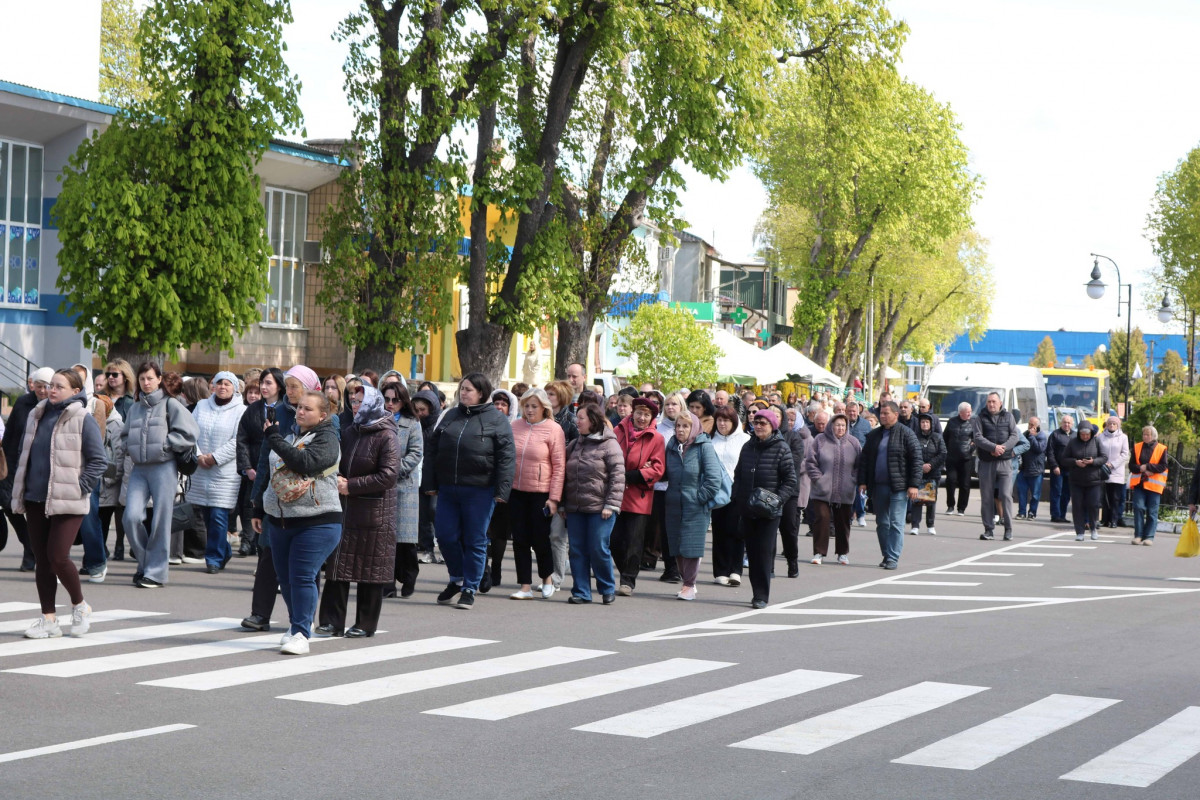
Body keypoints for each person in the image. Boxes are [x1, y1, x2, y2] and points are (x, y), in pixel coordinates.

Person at [10, 369, 107, 638]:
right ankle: (49, 619)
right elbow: (23, 453)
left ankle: (80, 606)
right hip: (34, 497)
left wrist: (79, 487)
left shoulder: (82, 418)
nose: (51, 390)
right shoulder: (37, 414)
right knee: (42, 560)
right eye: (50, 385)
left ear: (75, 391)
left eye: (58, 386)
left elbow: (99, 461)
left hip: (68, 499)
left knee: (57, 556)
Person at [257, 390, 343, 654]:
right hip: (281, 520)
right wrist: (257, 507)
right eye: (300, 407)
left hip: (317, 520)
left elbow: (305, 463)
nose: (300, 412)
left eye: (308, 409)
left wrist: (273, 438)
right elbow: (270, 472)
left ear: (323, 415)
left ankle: (302, 634)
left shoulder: (328, 438)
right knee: (286, 579)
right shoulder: (292, 436)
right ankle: (297, 624)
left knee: (302, 575)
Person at [427, 373, 516, 610]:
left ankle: (470, 587)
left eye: (468, 389)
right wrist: (430, 483)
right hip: (448, 487)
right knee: (445, 536)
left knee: (475, 539)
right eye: (462, 388)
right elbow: (432, 450)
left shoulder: (496, 419)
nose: (463, 393)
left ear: (481, 393)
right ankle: (457, 579)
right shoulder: (450, 415)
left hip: (480, 489)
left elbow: (507, 457)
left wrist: (502, 490)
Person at [317, 385, 400, 638]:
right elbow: (335, 462)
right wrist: (335, 477)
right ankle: (331, 621)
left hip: (375, 512)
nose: (355, 406)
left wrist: (351, 486)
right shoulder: (350, 431)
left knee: (370, 569)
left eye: (361, 402)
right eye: (353, 401)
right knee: (338, 565)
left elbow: (389, 475)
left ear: (373, 404)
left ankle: (365, 623)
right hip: (345, 509)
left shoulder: (387, 435)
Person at [122, 361, 200, 588]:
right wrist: (129, 447)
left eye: (150, 378)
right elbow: (125, 435)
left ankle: (155, 573)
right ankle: (146, 564)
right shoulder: (135, 408)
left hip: (164, 467)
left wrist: (166, 445)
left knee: (160, 521)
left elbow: (190, 432)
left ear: (159, 379)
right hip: (139, 469)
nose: (146, 383)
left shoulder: (171, 403)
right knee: (131, 517)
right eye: (142, 379)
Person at [237, 367, 288, 632]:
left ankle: (302, 619)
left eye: (269, 383)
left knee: (299, 565)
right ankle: (259, 614)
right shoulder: (256, 411)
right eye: (262, 383)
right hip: (268, 490)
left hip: (298, 496)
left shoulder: (295, 414)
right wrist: (256, 502)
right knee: (266, 554)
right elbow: (246, 443)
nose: (264, 387)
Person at [732, 409, 797, 608]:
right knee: (752, 553)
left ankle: (761, 595)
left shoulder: (781, 448)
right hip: (748, 508)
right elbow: (738, 474)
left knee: (763, 552)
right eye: (756, 423)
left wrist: (776, 500)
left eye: (763, 423)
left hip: (769, 512)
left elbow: (790, 481)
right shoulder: (747, 446)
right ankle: (756, 592)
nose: (758, 426)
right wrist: (737, 497)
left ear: (772, 426)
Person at [562, 403, 625, 604]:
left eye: (581, 418)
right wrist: (562, 504)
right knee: (577, 550)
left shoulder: (609, 444)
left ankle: (607, 588)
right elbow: (564, 476)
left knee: (598, 548)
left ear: (593, 420)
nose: (577, 421)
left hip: (601, 509)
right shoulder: (575, 444)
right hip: (576, 508)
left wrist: (611, 504)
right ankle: (581, 592)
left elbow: (617, 477)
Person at [507, 388, 565, 600]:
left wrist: (554, 498)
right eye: (526, 406)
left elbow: (559, 466)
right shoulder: (515, 426)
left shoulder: (553, 429)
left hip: (541, 493)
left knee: (540, 539)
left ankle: (547, 579)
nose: (529, 410)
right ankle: (525, 586)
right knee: (520, 539)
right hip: (516, 491)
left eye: (534, 406)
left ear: (544, 408)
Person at [186, 371, 246, 574]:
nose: (222, 387)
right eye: (219, 383)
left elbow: (238, 440)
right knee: (206, 514)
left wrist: (215, 457)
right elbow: (190, 432)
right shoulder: (202, 406)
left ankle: (213, 558)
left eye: (227, 384)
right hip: (201, 467)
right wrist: (199, 455)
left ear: (234, 388)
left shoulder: (241, 410)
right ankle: (224, 550)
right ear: (213, 386)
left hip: (224, 471)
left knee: (219, 516)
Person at [663, 411, 721, 601]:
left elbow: (714, 479)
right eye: (678, 426)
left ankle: (689, 584)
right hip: (673, 504)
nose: (680, 429)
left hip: (695, 506)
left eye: (685, 426)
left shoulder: (704, 446)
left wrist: (699, 498)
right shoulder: (672, 445)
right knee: (677, 546)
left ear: (694, 428)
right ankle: (688, 582)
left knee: (691, 547)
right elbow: (665, 473)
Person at [612, 397, 666, 596]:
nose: (642, 418)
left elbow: (658, 468)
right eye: (639, 413)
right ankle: (625, 570)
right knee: (614, 540)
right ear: (632, 413)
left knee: (634, 541)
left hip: (639, 496)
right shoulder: (617, 431)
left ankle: (628, 580)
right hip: (616, 494)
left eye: (646, 415)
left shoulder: (656, 438)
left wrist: (636, 474)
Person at [857, 401, 921, 570]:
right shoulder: (874, 435)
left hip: (899, 487)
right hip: (879, 486)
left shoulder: (906, 434)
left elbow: (916, 460)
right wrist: (862, 482)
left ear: (896, 414)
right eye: (881, 413)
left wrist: (914, 485)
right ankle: (886, 554)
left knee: (896, 523)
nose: (883, 416)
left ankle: (893, 557)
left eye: (886, 413)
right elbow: (865, 461)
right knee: (882, 523)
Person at [1, 367, 52, 572]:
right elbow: (10, 433)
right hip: (16, 462)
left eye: (46, 386)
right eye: (38, 386)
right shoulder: (23, 402)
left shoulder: (55, 405)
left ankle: (33, 554)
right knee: (9, 505)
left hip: (41, 466)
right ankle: (29, 545)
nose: (42, 391)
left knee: (34, 511)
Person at [383, 381, 424, 598]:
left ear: (403, 401)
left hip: (403, 485)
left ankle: (409, 575)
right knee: (385, 539)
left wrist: (394, 469)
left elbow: (416, 453)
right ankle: (387, 584)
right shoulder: (378, 420)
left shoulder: (412, 423)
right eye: (386, 399)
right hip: (382, 486)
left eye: (395, 400)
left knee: (405, 540)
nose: (390, 404)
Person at [805, 412, 861, 565]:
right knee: (822, 519)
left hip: (845, 490)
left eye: (843, 425)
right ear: (831, 426)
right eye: (837, 425)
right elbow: (810, 462)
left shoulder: (854, 442)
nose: (840, 428)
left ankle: (842, 553)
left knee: (843, 522)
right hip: (821, 490)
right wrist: (818, 478)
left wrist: (853, 479)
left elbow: (859, 465)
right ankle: (819, 552)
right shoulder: (820, 440)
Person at [544, 380, 578, 588]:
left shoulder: (572, 422)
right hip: (540, 483)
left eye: (552, 394)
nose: (547, 398)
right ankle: (547, 575)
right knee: (543, 536)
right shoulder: (540, 419)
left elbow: (575, 458)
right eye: (546, 393)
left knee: (557, 535)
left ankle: (556, 578)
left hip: (563, 486)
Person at [710, 405, 749, 585]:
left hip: (737, 491)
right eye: (719, 420)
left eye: (726, 420)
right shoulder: (710, 440)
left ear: (734, 422)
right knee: (719, 531)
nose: (722, 424)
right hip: (717, 492)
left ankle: (735, 570)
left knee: (737, 532)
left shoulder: (745, 440)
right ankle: (720, 571)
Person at [972, 392, 1019, 541]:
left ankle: (1008, 529)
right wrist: (993, 447)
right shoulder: (980, 418)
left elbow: (1014, 436)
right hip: (986, 462)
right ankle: (988, 529)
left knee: (1005, 495)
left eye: (994, 401)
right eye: (989, 402)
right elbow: (977, 437)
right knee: (986, 496)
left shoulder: (1009, 417)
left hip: (1004, 462)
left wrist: (1002, 448)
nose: (991, 404)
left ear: (1000, 403)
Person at [1060, 422, 1106, 541]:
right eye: (1082, 434)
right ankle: (1079, 532)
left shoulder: (1096, 441)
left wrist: (1093, 461)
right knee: (1077, 506)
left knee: (1093, 505)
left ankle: (1093, 528)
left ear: (1091, 433)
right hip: (1076, 480)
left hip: (1094, 480)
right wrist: (1075, 462)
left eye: (1087, 434)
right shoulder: (1073, 442)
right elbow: (1064, 459)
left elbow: (1104, 457)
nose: (1085, 436)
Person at [413, 388, 443, 566]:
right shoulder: (414, 425)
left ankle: (444, 549)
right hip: (418, 476)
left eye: (423, 410)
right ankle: (428, 549)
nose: (420, 413)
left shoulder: (438, 426)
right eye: (416, 410)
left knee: (435, 511)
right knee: (423, 515)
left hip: (435, 476)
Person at [781, 409, 812, 577]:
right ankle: (769, 566)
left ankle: (792, 560)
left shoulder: (796, 438)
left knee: (789, 528)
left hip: (790, 488)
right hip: (769, 487)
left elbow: (796, 462)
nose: (790, 422)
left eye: (792, 420)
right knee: (768, 530)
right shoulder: (767, 437)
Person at [1128, 425, 1168, 546]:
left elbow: (1163, 466)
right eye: (1144, 434)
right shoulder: (1137, 447)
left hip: (1154, 486)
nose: (1145, 436)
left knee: (1152, 512)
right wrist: (1141, 468)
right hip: (1140, 484)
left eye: (1147, 435)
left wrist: (1148, 467)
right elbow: (1131, 465)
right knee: (1138, 508)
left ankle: (1149, 537)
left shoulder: (1161, 448)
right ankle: (1138, 536)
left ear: (1153, 436)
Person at [908, 412, 947, 536]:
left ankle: (930, 525)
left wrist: (930, 465)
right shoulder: (914, 436)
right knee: (916, 499)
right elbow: (911, 453)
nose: (924, 424)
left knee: (930, 500)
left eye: (927, 422)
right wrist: (921, 465)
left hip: (933, 473)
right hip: (918, 473)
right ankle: (915, 525)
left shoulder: (937, 437)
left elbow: (943, 453)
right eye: (922, 422)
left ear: (931, 424)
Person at [942, 402, 974, 517]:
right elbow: (944, 438)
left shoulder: (973, 423)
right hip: (952, 458)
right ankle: (950, 506)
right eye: (967, 412)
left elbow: (977, 439)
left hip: (966, 459)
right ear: (961, 413)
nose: (970, 414)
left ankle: (961, 508)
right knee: (951, 481)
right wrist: (946, 451)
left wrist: (971, 448)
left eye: (970, 411)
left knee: (965, 484)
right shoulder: (952, 422)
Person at [1098, 415, 1131, 528]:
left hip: (1117, 471)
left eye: (1114, 424)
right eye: (1110, 423)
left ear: (1118, 425)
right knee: (1105, 497)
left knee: (1115, 498)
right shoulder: (1101, 437)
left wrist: (1112, 464)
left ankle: (1114, 520)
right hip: (1104, 470)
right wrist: (1103, 463)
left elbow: (1125, 454)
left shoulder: (1123, 437)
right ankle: (1104, 519)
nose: (1111, 425)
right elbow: (1098, 452)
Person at [1016, 416, 1048, 520]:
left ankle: (1032, 512)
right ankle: (1021, 512)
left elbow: (1039, 448)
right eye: (1029, 424)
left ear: (1037, 426)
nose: (1030, 427)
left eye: (1033, 425)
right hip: (1024, 469)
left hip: (1036, 470)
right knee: (1021, 493)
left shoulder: (1042, 436)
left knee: (1035, 495)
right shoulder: (1025, 434)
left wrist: (1032, 437)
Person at [1045, 414, 1075, 523]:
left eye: (1069, 422)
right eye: (1065, 422)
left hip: (1070, 470)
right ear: (1061, 423)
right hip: (1058, 469)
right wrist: (1054, 466)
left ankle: (1062, 515)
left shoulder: (1075, 436)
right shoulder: (1055, 434)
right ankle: (1055, 515)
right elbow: (1050, 452)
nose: (1066, 424)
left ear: (1072, 424)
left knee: (1066, 494)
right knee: (1056, 492)